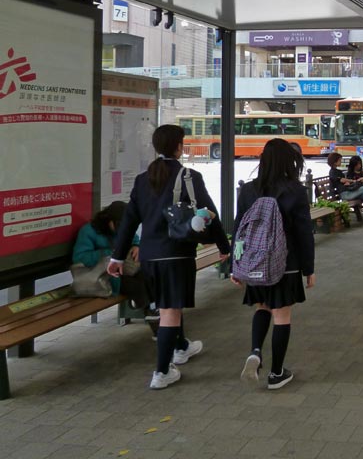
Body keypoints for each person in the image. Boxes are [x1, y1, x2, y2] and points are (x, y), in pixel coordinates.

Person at [108, 125, 231, 390]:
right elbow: (210, 213)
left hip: (150, 258)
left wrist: (117, 257)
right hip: (176, 255)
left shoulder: (143, 179)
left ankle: (182, 347)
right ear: (179, 146)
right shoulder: (189, 176)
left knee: (168, 305)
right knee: (170, 312)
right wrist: (224, 246)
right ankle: (162, 372)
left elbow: (130, 220)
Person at [232, 139, 315, 390]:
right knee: (282, 315)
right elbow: (304, 233)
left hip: (255, 263)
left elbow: (239, 230)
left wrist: (235, 266)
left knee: (262, 307)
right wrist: (308, 269)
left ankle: (255, 352)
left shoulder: (248, 190)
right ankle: (277, 373)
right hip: (285, 264)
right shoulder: (295, 191)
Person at [74, 201, 158, 336]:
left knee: (148, 276)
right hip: (103, 276)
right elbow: (80, 257)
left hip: (121, 269)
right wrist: (109, 253)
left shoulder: (122, 227)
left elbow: (133, 238)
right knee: (137, 287)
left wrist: (137, 246)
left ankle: (156, 313)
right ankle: (156, 324)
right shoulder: (89, 231)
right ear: (108, 220)